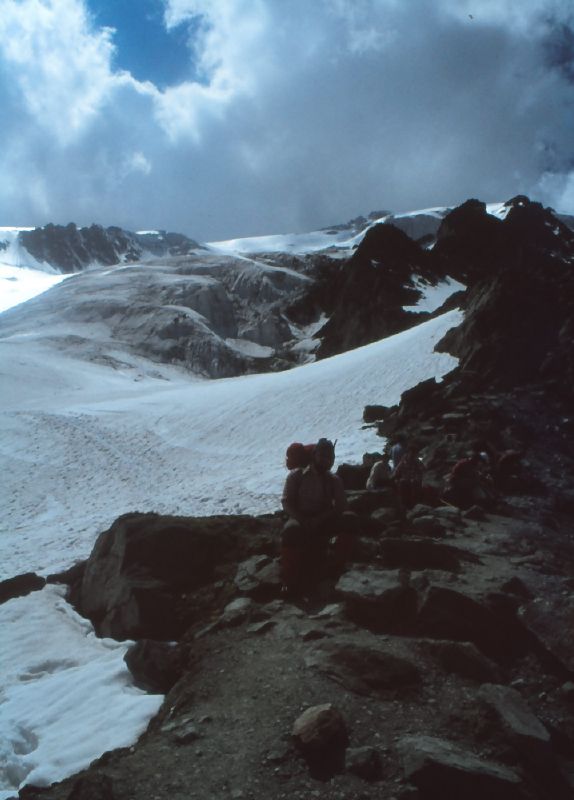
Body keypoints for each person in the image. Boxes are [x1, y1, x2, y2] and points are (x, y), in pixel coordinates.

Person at [280, 438, 359, 594]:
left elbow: (341, 506)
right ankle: (289, 580)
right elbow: (287, 502)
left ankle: (335, 569)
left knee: (350, 519)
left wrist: (321, 518)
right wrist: (303, 520)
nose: (326, 461)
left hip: (324, 519)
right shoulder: (297, 476)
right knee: (290, 531)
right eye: (323, 456)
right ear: (315, 455)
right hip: (300, 518)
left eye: (330, 458)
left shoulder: (334, 480)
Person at [392, 443, 423, 509]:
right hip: (405, 479)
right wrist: (395, 477)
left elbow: (421, 470)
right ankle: (404, 505)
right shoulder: (404, 459)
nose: (413, 454)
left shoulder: (417, 461)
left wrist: (417, 478)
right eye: (412, 452)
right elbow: (398, 469)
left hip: (413, 480)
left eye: (414, 453)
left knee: (413, 484)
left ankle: (412, 505)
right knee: (402, 484)